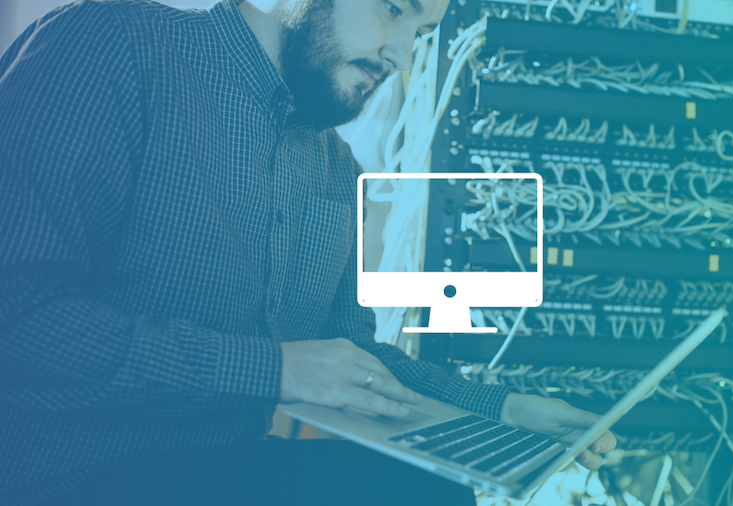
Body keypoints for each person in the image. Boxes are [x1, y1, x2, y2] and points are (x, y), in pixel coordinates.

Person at [0, 0, 616, 504]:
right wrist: (274, 368)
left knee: (434, 491)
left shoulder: (335, 169)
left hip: (220, 473)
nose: (401, 57)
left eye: (421, 33)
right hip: (64, 480)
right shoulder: (112, 47)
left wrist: (502, 410)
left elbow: (352, 360)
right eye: (394, 10)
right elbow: (16, 317)